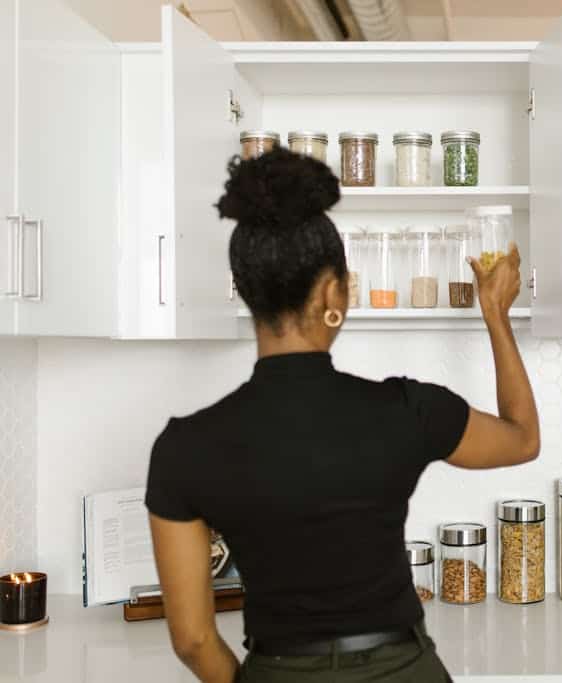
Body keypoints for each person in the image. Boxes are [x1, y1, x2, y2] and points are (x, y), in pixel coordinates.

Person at [144, 148, 540, 683]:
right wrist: (495, 313)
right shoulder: (407, 410)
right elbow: (522, 439)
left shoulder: (183, 448)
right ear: (335, 293)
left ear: (245, 291)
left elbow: (192, 639)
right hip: (405, 669)